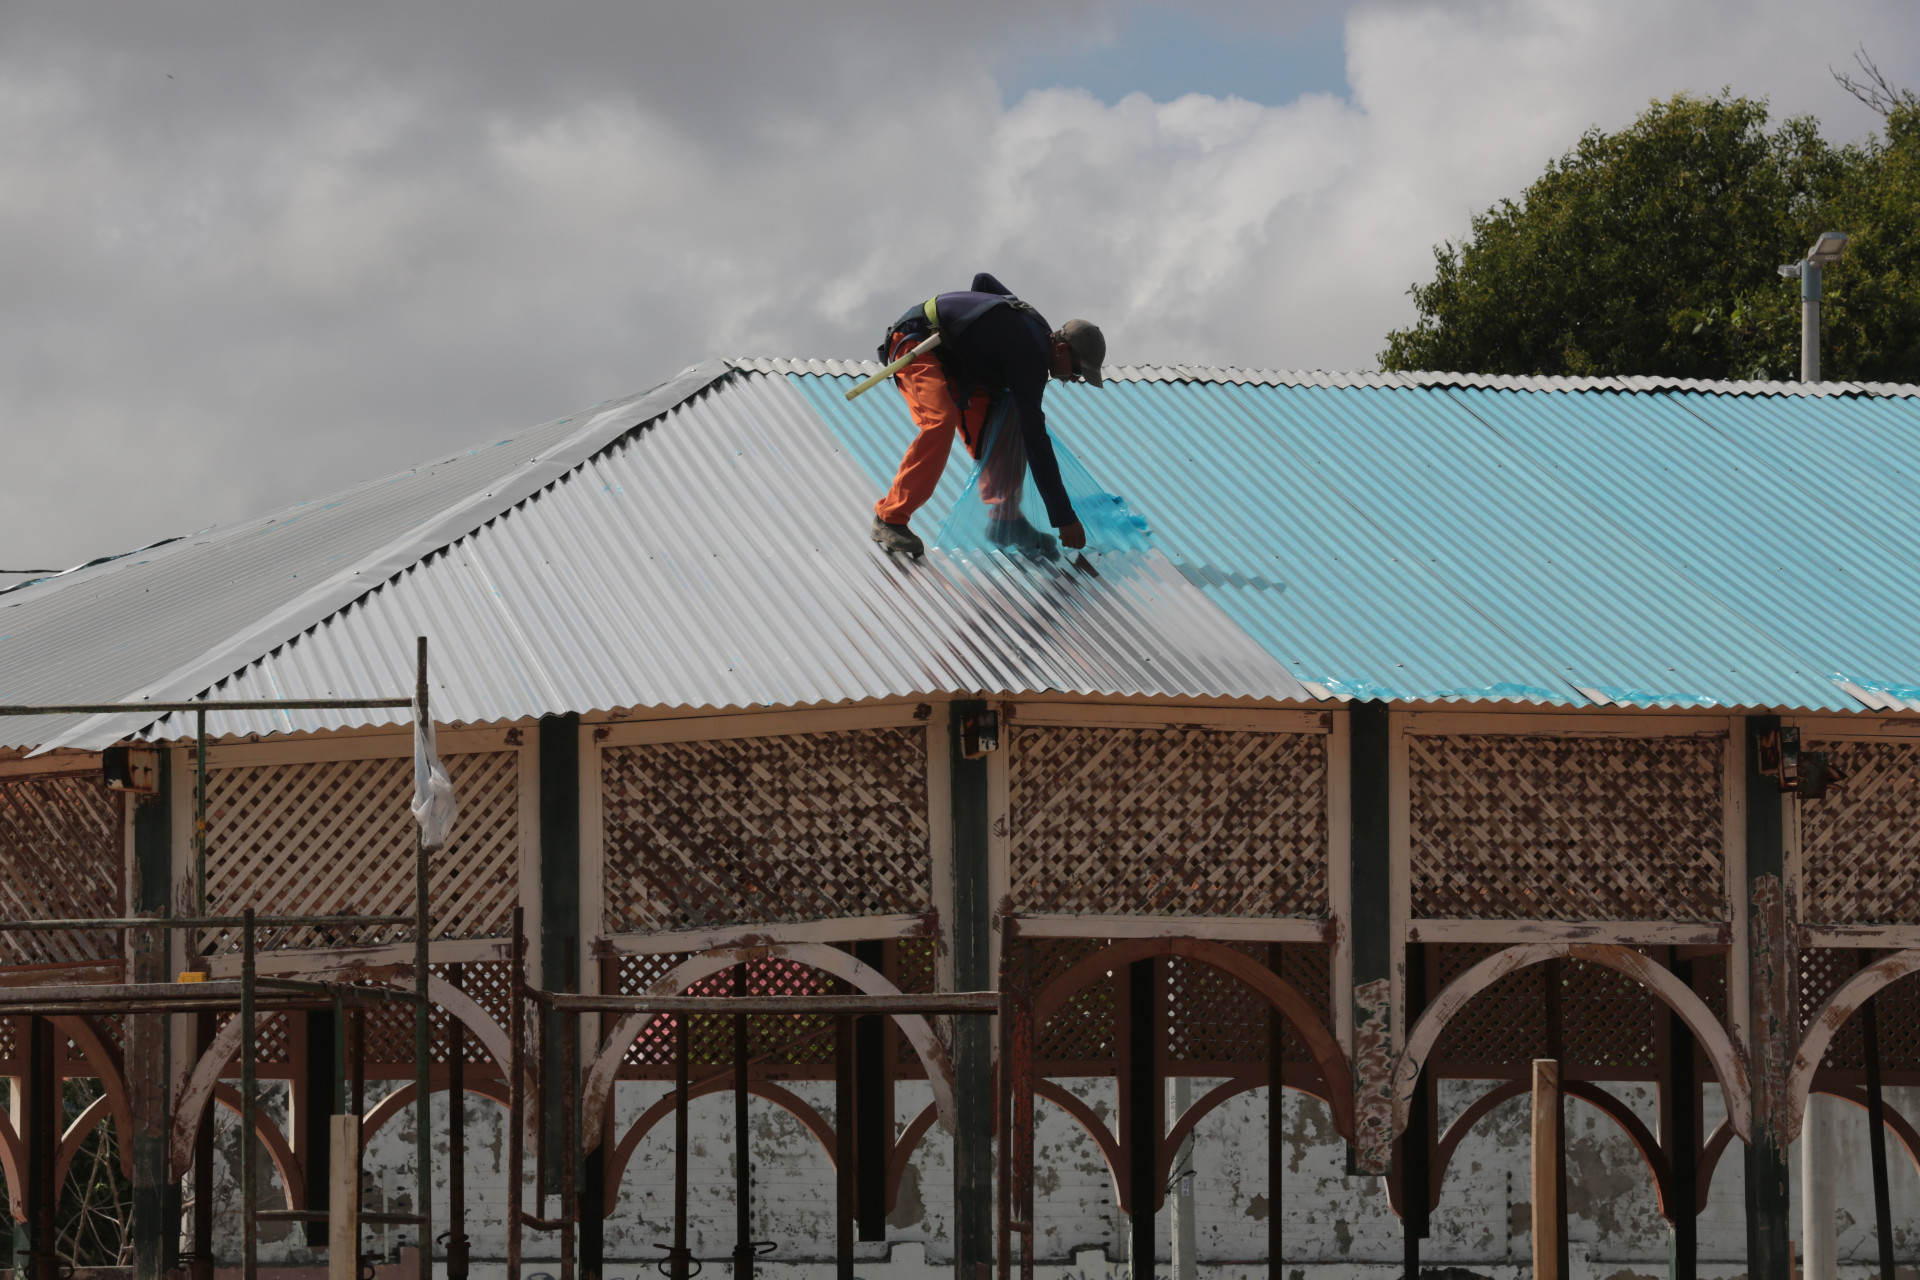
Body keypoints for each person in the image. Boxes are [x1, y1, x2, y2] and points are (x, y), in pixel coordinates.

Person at [868, 273, 1105, 558]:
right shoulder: (1032, 357)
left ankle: (1005, 520)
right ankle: (889, 517)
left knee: (1008, 422)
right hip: (917, 343)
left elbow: (983, 282)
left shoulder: (1036, 327)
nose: (1072, 379)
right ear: (1062, 349)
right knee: (940, 423)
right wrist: (1063, 517)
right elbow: (1036, 441)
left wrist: (974, 335)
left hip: (953, 359)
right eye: (1077, 371)